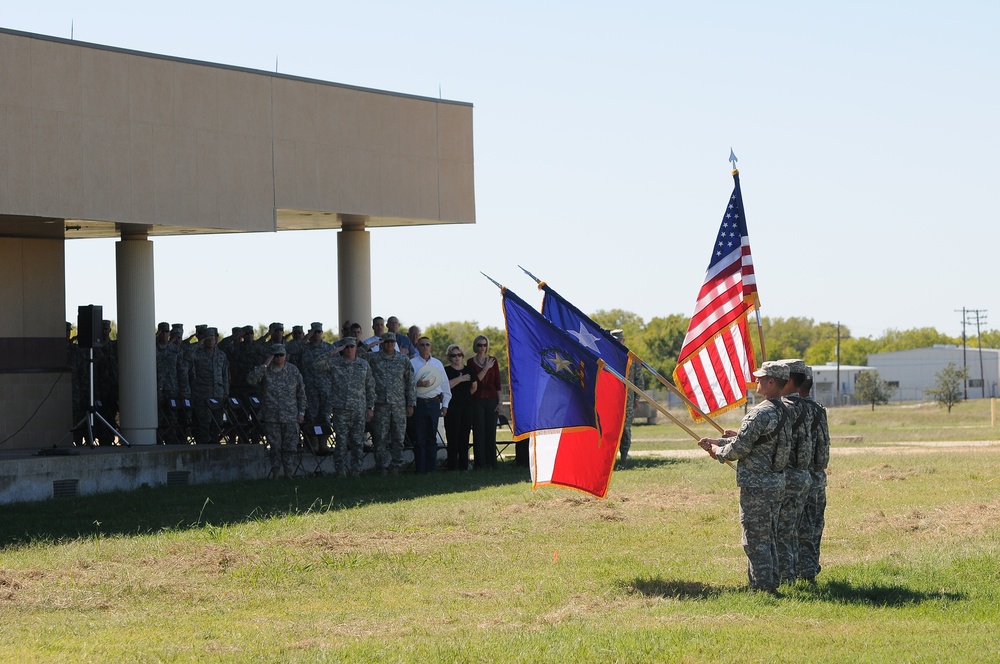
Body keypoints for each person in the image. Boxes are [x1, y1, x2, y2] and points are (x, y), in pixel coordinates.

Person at [698, 361, 792, 594]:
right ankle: (771, 581)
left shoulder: (759, 412)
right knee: (770, 535)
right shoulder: (785, 411)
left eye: (760, 378)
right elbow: (756, 441)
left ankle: (763, 588)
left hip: (757, 486)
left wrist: (716, 452)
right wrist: (719, 442)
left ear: (772, 382)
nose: (756, 381)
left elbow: (740, 449)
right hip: (777, 482)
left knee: (755, 538)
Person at [774, 359, 815, 585]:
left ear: (788, 379)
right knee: (796, 530)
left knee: (783, 531)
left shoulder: (786, 408)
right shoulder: (808, 407)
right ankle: (797, 574)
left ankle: (785, 578)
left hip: (787, 475)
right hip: (803, 474)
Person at [246, 343, 306, 479]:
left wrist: (301, 412)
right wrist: (265, 364)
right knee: (275, 447)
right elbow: (251, 380)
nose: (279, 358)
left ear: (286, 356)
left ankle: (289, 473)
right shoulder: (265, 370)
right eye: (276, 355)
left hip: (290, 416)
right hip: (271, 416)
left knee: (290, 447)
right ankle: (276, 473)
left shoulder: (293, 370)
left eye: (281, 355)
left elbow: (301, 393)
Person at [318, 336, 375, 476]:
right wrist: (333, 352)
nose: (349, 349)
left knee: (357, 442)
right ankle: (340, 471)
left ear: (356, 348)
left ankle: (357, 471)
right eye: (346, 347)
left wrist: (370, 407)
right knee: (341, 442)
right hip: (340, 409)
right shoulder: (335, 363)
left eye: (352, 346)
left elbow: (370, 387)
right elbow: (316, 365)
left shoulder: (363, 364)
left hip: (358, 409)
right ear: (343, 348)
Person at [797, 365, 830, 584]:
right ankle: (808, 573)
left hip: (798, 477)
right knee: (813, 528)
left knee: (794, 528)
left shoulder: (793, 409)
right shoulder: (818, 409)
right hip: (817, 475)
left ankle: (796, 573)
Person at [366, 332, 415, 474]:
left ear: (395, 343)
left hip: (399, 405)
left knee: (398, 438)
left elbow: (410, 382)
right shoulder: (373, 358)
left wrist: (410, 403)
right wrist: (369, 346)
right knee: (380, 438)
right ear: (382, 343)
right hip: (380, 404)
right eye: (386, 342)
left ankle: (396, 466)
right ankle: (382, 467)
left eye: (392, 342)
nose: (389, 345)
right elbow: (358, 355)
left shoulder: (403, 359)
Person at [410, 337, 451, 473]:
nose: (425, 347)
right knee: (420, 439)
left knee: (432, 438)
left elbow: (445, 386)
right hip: (419, 403)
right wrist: (418, 385)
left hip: (434, 403)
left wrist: (445, 405)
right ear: (417, 347)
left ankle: (432, 469)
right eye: (422, 345)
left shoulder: (438, 364)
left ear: (431, 347)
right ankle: (420, 470)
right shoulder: (412, 363)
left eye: (427, 345)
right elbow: (406, 386)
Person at [188, 327, 230, 445]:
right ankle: (204, 445)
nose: (211, 341)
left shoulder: (221, 355)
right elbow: (187, 356)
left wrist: (226, 392)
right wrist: (198, 344)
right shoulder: (198, 354)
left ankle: (215, 443)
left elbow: (225, 375)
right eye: (208, 339)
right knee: (203, 422)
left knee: (217, 422)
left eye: (213, 338)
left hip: (218, 393)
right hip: (202, 393)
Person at [611, 329, 644, 468]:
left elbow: (639, 379)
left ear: (623, 340)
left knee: (625, 429)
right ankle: (610, 462)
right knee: (610, 430)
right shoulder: (607, 356)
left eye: (618, 341)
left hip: (627, 401)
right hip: (610, 401)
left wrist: (637, 399)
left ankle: (623, 460)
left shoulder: (631, 357)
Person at [468, 334, 501, 469]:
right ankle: (480, 463)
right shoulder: (471, 362)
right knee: (479, 430)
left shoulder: (494, 360)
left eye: (484, 345)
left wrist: (500, 402)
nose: (482, 348)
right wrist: (486, 367)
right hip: (477, 399)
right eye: (480, 345)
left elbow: (498, 382)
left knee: (490, 430)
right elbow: (476, 380)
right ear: (476, 346)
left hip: (492, 399)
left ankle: (491, 462)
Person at [444, 344, 476, 471]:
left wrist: (466, 396)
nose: (457, 358)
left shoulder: (469, 370)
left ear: (462, 356)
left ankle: (463, 465)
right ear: (449, 357)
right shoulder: (446, 371)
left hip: (467, 407)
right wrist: (460, 379)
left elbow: (474, 387)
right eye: (453, 355)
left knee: (464, 436)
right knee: (452, 437)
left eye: (459, 355)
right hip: (452, 408)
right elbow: (446, 387)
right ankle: (452, 466)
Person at [299, 322, 333, 426]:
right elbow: (291, 348)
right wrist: (307, 337)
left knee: (325, 417)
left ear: (322, 332)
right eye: (314, 332)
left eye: (318, 332)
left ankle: (323, 442)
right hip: (309, 388)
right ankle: (312, 442)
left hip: (325, 388)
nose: (316, 334)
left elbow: (335, 367)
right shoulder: (304, 348)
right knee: (311, 418)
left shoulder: (329, 348)